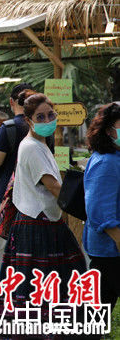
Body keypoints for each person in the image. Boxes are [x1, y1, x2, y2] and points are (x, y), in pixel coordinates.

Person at [0, 91, 86, 337]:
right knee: (39, 285)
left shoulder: (41, 144)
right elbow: (53, 186)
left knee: (57, 278)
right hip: (36, 223)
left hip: (45, 219)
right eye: (40, 116)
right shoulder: (30, 147)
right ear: (29, 121)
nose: (47, 119)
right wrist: (86, 209)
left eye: (50, 114)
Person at [0, 83, 55, 303]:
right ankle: (30, 291)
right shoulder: (46, 128)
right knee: (27, 245)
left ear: (13, 102)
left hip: (9, 195)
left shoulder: (9, 127)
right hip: (37, 196)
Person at [83, 102, 120, 312]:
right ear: (108, 131)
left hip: (110, 250)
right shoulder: (106, 162)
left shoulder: (114, 158)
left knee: (98, 309)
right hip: (110, 248)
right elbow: (98, 208)